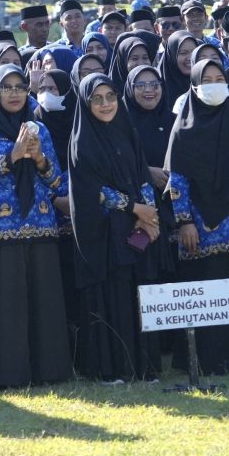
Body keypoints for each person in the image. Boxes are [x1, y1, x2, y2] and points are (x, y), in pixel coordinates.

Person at [0, 65, 73, 389]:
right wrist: (10, 157)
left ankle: (48, 371)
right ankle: (4, 373)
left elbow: (55, 182)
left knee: (43, 301)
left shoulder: (39, 129)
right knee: (4, 303)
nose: (14, 93)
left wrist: (39, 159)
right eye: (6, 88)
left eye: (19, 87)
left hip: (40, 226)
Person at [164, 59, 229, 375]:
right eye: (206, 79)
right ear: (194, 86)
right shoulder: (184, 127)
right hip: (201, 228)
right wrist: (183, 221)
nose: (214, 84)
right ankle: (206, 361)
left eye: (219, 78)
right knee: (205, 290)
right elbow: (177, 180)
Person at [68, 74, 162, 382]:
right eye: (97, 98)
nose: (106, 104)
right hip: (104, 233)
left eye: (111, 96)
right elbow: (91, 190)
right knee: (112, 295)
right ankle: (112, 368)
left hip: (135, 229)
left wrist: (148, 215)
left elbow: (143, 174)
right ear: (86, 102)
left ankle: (144, 365)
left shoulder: (126, 130)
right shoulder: (82, 141)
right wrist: (135, 208)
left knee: (138, 293)